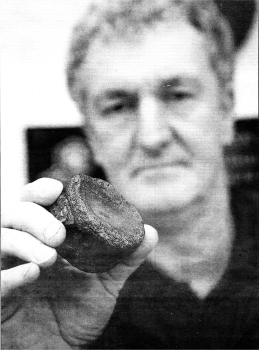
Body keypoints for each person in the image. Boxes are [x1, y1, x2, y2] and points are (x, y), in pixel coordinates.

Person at [1, 0, 258, 349]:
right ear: (91, 135)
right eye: (118, 106)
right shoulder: (50, 293)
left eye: (178, 95)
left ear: (227, 109)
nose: (152, 137)